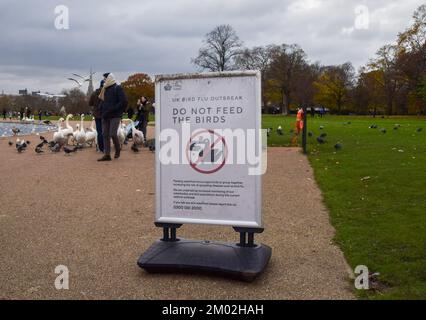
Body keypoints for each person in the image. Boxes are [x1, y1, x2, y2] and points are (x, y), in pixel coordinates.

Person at [97, 73, 128, 162]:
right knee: (105, 135)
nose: (104, 80)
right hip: (105, 115)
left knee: (113, 133)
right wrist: (101, 109)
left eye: (105, 78)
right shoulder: (104, 89)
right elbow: (103, 101)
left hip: (115, 115)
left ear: (109, 78)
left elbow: (123, 101)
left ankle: (117, 148)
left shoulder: (117, 88)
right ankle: (107, 154)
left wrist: (114, 109)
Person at [89, 80, 105, 153]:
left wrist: (95, 105)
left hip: (97, 114)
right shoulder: (106, 93)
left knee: (99, 132)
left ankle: (101, 148)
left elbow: (90, 103)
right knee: (105, 131)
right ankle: (105, 147)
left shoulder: (94, 93)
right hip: (105, 114)